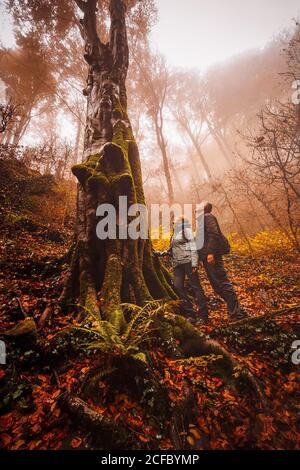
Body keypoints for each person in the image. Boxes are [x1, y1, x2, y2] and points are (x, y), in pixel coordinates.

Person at [196, 202, 248, 321]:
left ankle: (237, 313)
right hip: (207, 257)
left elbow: (214, 234)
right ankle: (237, 309)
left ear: (204, 208)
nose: (196, 206)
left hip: (212, 257)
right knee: (217, 286)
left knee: (222, 282)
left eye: (199, 205)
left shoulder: (207, 216)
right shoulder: (202, 219)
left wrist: (210, 253)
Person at [154, 216, 209, 324]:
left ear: (182, 222)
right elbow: (171, 250)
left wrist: (194, 263)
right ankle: (190, 313)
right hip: (177, 265)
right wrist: (159, 253)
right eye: (173, 220)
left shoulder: (186, 230)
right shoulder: (175, 233)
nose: (173, 221)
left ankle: (203, 316)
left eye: (176, 220)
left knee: (196, 287)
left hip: (188, 263)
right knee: (178, 287)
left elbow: (193, 246)